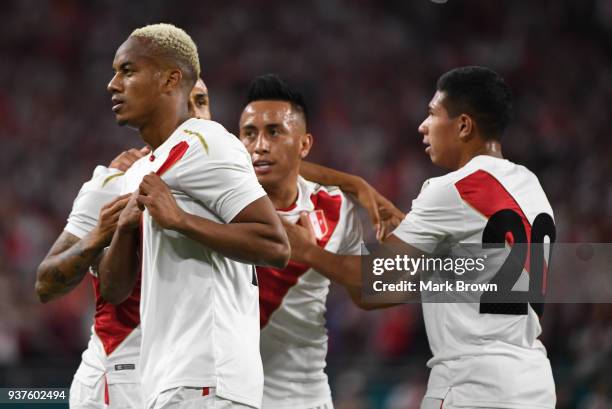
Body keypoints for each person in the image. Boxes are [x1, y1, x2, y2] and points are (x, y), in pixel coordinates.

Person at [287, 67, 556, 409]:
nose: (422, 125)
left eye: (432, 113)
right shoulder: (532, 187)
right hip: (533, 384)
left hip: (471, 385)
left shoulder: (451, 189)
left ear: (463, 125)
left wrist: (308, 249)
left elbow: (372, 282)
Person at [98, 23, 290, 409]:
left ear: (170, 79)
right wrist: (122, 230)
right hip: (163, 380)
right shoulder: (140, 172)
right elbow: (114, 292)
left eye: (127, 70)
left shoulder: (209, 142)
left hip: (209, 378)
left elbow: (275, 245)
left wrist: (181, 221)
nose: (112, 84)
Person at [238, 74, 397, 409]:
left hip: (304, 398)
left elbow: (376, 289)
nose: (259, 145)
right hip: (232, 396)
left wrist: (309, 251)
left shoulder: (336, 208)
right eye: (249, 134)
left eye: (274, 132)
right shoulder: (220, 199)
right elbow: (524, 278)